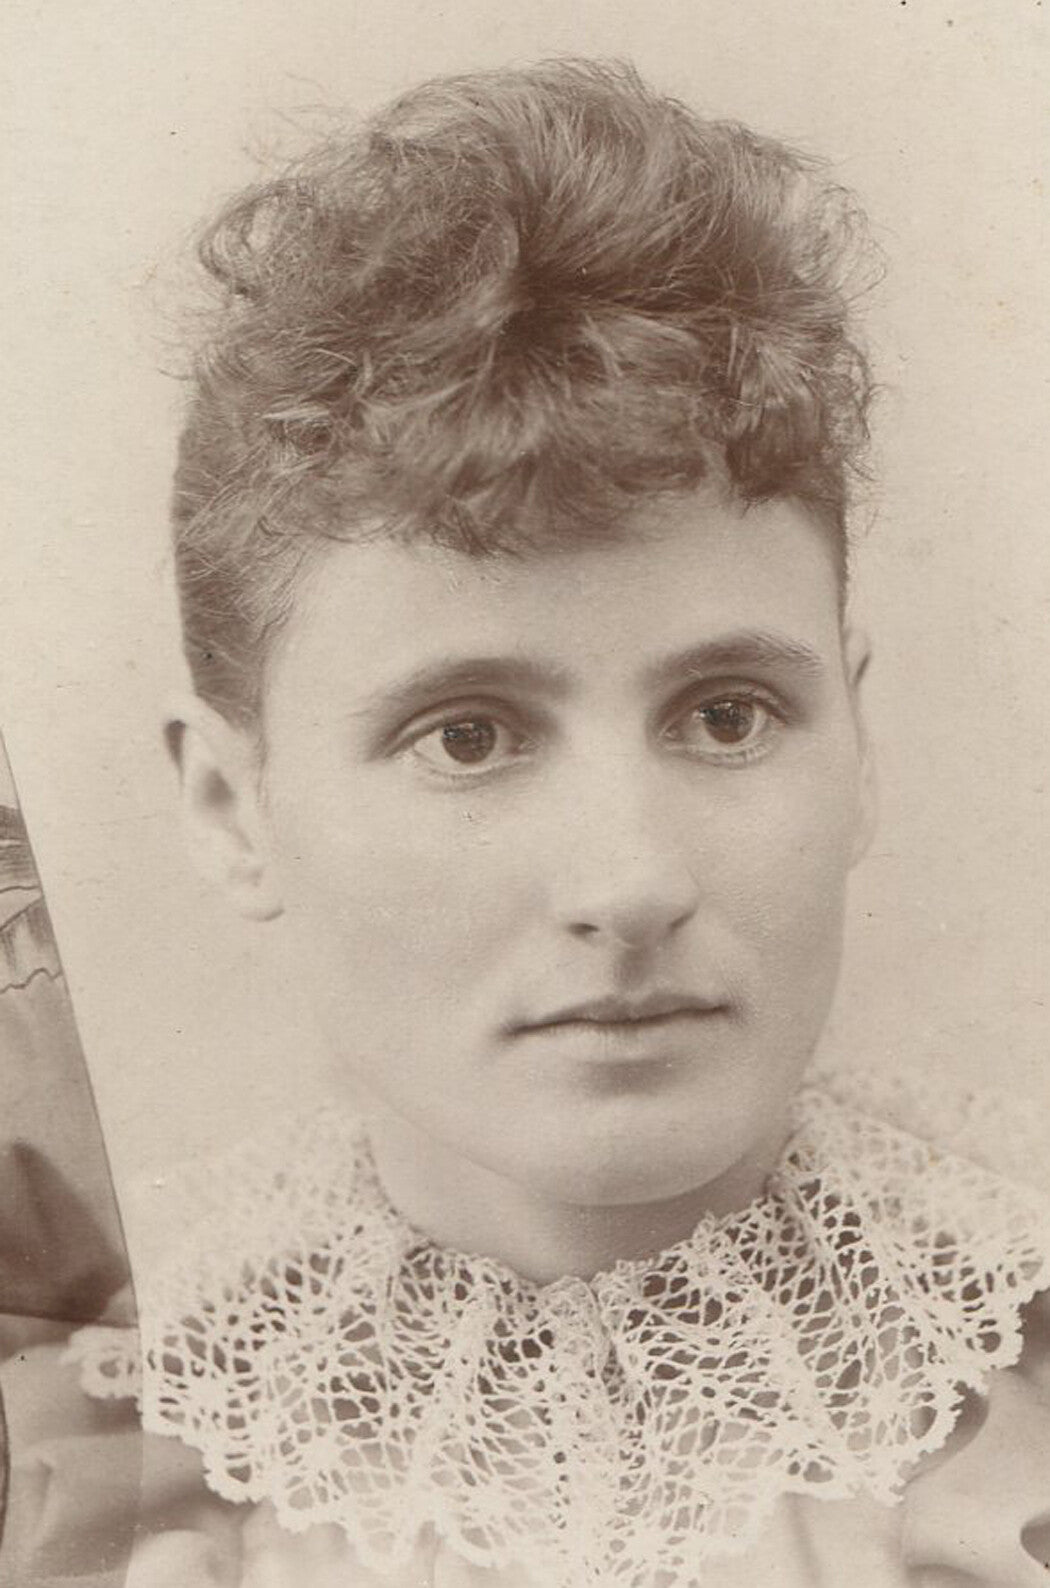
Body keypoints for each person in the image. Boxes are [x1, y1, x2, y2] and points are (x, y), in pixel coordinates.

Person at [7, 58, 1049, 1587]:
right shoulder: (101, 1467)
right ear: (235, 809)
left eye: (725, 715)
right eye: (469, 736)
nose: (628, 883)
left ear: (858, 742)